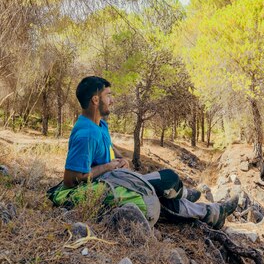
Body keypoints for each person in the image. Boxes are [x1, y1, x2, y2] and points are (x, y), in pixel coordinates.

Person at [48, 76, 238, 229]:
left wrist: (120, 159)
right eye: (108, 96)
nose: (112, 100)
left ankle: (210, 211)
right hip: (103, 184)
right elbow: (70, 180)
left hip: (115, 177)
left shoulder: (100, 125)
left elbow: (107, 148)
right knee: (167, 180)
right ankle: (195, 202)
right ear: (95, 100)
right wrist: (108, 166)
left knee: (161, 187)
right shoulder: (85, 134)